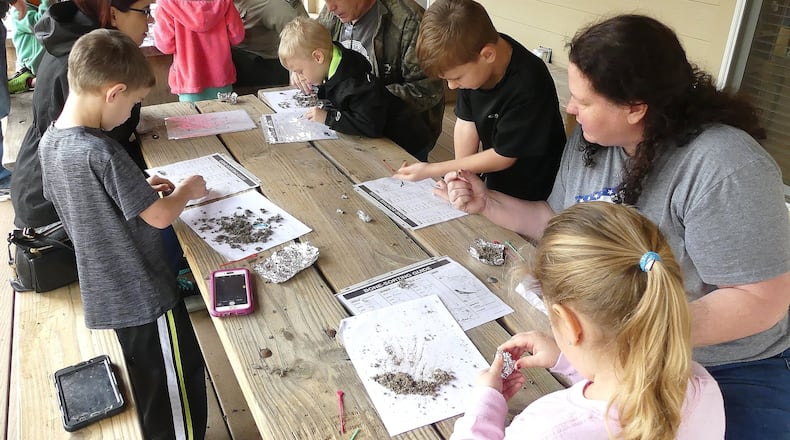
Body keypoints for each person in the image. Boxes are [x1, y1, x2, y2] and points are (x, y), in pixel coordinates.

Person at [444, 14, 790, 439]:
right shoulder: (593, 142)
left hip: (727, 367)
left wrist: (619, 337)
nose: (570, 109)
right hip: (613, 355)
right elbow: (556, 223)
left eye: (583, 102)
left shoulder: (724, 167)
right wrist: (487, 201)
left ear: (635, 108)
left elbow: (762, 300)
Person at [39, 28, 209, 439]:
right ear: (113, 93)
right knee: (176, 386)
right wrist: (188, 189)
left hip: (108, 290)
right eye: (134, 102)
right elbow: (160, 218)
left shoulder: (51, 142)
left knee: (150, 380)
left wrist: (136, 193)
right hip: (145, 294)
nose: (131, 111)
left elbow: (86, 205)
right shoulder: (102, 151)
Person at [452, 202, 725, 439]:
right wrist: (566, 361)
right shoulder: (701, 386)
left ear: (570, 323)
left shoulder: (548, 427)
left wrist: (485, 405)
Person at [395, 0, 566, 201]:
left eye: (456, 78)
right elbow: (466, 124)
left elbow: (504, 156)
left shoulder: (528, 82)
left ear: (487, 55)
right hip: (494, 182)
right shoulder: (471, 61)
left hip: (538, 191)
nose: (451, 86)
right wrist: (460, 177)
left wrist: (433, 169)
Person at [11, 0, 153, 229]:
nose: (150, 20)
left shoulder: (78, 41)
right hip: (53, 206)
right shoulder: (95, 61)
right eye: (145, 11)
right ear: (114, 14)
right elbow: (111, 136)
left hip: (40, 186)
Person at [296, 0, 445, 150]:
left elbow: (427, 90)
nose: (330, 7)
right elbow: (310, 48)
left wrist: (365, 99)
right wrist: (299, 68)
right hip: (347, 123)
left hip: (400, 134)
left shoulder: (410, 20)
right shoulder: (333, 11)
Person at [154, 0, 245, 102]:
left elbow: (166, 46)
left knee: (192, 116)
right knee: (226, 113)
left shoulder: (167, 5)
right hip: (221, 74)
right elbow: (237, 36)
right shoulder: (224, 3)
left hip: (189, 78)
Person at [231, 0, 307, 90]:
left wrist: (297, 70)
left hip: (265, 68)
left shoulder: (269, 4)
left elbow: (302, 33)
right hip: (238, 61)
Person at [8, 0, 51, 94]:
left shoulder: (47, 7)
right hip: (30, 66)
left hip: (46, 63)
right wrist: (48, 2)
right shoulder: (18, 12)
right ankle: (28, 81)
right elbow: (42, 25)